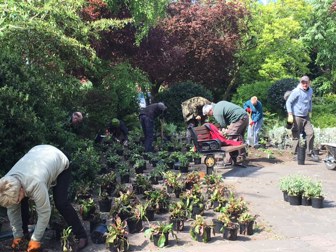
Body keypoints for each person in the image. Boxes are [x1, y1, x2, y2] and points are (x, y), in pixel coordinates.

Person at [0, 145, 88, 251]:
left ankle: (81, 236)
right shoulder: (6, 184)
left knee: (61, 203)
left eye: (17, 198)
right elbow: (12, 210)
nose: (16, 202)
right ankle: (24, 236)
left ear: (21, 189)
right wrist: (17, 236)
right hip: (39, 153)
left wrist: (36, 239)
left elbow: (44, 212)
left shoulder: (35, 183)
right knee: (20, 202)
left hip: (59, 159)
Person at [286, 76, 318, 161]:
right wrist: (290, 113)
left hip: (306, 116)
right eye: (303, 82)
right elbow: (289, 102)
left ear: (309, 83)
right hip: (296, 116)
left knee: (311, 133)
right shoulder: (296, 91)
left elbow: (310, 100)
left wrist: (310, 111)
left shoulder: (310, 90)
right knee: (296, 135)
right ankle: (295, 154)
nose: (304, 84)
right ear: (301, 83)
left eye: (306, 82)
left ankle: (309, 153)